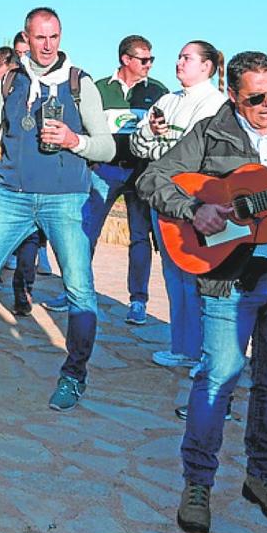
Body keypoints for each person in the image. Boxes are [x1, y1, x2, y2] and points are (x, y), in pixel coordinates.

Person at [138, 50, 267, 533]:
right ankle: (197, 484)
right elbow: (152, 179)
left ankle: (263, 478)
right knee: (219, 376)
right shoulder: (210, 132)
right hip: (232, 277)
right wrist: (191, 208)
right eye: (256, 98)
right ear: (232, 92)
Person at [0, 7, 115, 414]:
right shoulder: (11, 80)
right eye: (40, 37)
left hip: (64, 197)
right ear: (27, 39)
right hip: (11, 193)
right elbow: (1, 133)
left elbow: (106, 146)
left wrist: (74, 140)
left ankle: (74, 375)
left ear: (61, 36)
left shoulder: (79, 83)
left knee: (79, 290)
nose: (47, 45)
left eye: (54, 36)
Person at [129, 41, 226, 370]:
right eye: (180, 57)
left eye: (187, 58)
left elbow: (193, 154)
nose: (179, 63)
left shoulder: (215, 104)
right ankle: (182, 346)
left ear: (206, 67)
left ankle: (202, 350)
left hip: (193, 201)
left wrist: (159, 141)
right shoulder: (167, 100)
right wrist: (153, 133)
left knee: (196, 277)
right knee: (173, 273)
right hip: (162, 198)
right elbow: (138, 145)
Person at [85, 35, 170, 325]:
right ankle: (78, 290)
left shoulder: (159, 91)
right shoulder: (99, 89)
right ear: (125, 59)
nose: (149, 65)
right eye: (144, 59)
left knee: (139, 237)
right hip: (105, 170)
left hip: (141, 173)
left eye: (151, 60)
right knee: (87, 231)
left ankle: (138, 301)